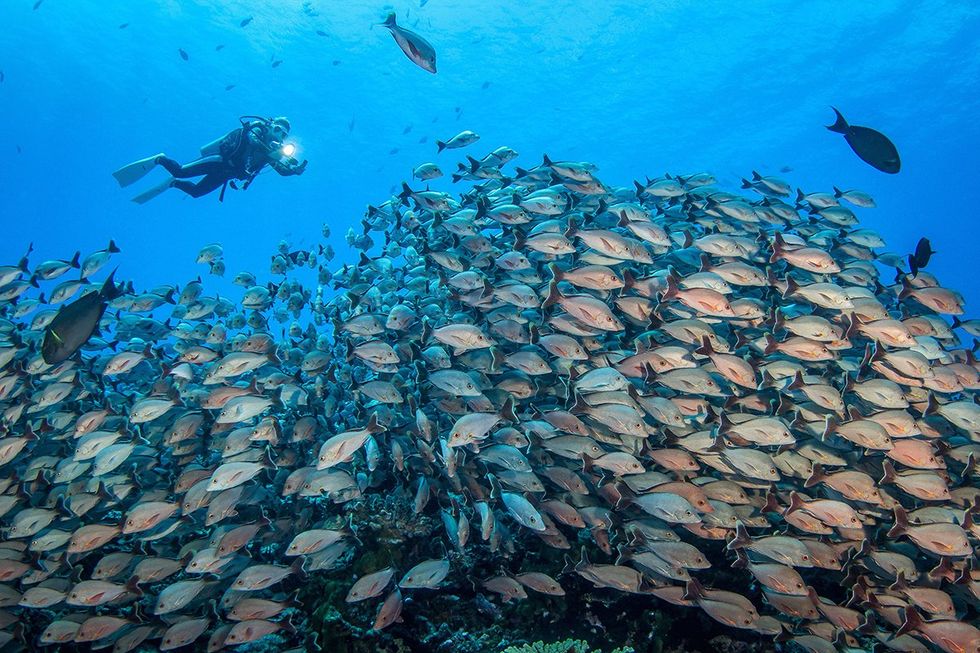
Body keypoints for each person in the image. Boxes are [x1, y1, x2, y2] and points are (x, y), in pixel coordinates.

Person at [112, 116, 308, 203]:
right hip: (220, 161)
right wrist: (273, 152)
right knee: (180, 170)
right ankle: (160, 159)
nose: (279, 135)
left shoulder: (272, 154)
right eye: (277, 129)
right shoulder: (258, 129)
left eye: (283, 134)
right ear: (271, 126)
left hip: (227, 175)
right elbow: (250, 139)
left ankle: (173, 184)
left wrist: (294, 170)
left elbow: (282, 172)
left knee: (196, 193)